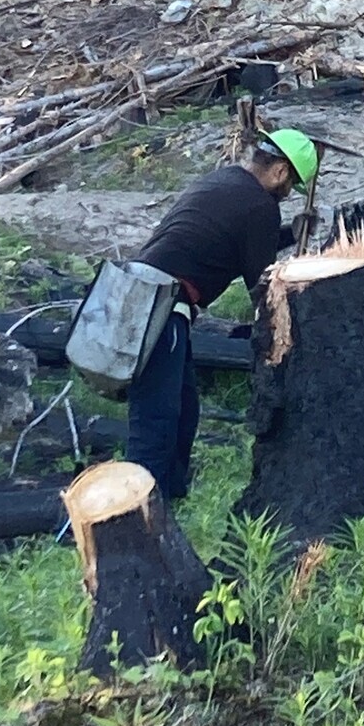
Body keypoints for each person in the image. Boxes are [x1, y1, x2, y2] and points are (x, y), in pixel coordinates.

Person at [127, 129, 319, 500]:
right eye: (291, 184)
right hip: (161, 305)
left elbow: (233, 239)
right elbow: (260, 283)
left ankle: (171, 495)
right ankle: (139, 507)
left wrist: (288, 235)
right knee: (158, 412)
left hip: (149, 295)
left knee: (182, 407)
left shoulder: (226, 182)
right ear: (280, 171)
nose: (287, 193)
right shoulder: (260, 205)